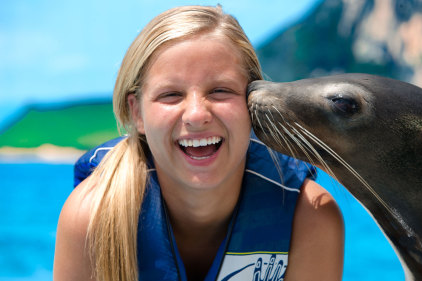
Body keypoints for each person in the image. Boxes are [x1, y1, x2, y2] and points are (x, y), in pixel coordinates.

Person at [53, 5, 344, 281]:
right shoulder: (91, 216)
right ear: (137, 113)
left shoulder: (310, 216)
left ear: (253, 103)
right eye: (170, 95)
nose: (196, 115)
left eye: (220, 91)